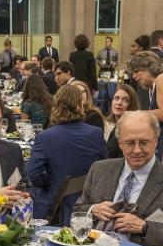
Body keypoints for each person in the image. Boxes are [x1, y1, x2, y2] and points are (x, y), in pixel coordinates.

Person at [73, 111, 163, 246]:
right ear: (120, 142)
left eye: (144, 143)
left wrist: (145, 227)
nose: (137, 150)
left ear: (156, 140)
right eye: (130, 143)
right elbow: (77, 210)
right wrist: (93, 209)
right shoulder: (99, 169)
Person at [26, 85, 107, 224]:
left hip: (54, 208)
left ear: (56, 106)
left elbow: (33, 174)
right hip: (88, 207)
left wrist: (48, 182)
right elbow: (105, 168)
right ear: (79, 105)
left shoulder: (45, 137)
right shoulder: (96, 134)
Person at [103, 83, 138, 158]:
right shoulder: (118, 126)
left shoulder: (126, 128)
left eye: (125, 100)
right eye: (116, 98)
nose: (119, 103)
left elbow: (107, 155)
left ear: (131, 105)